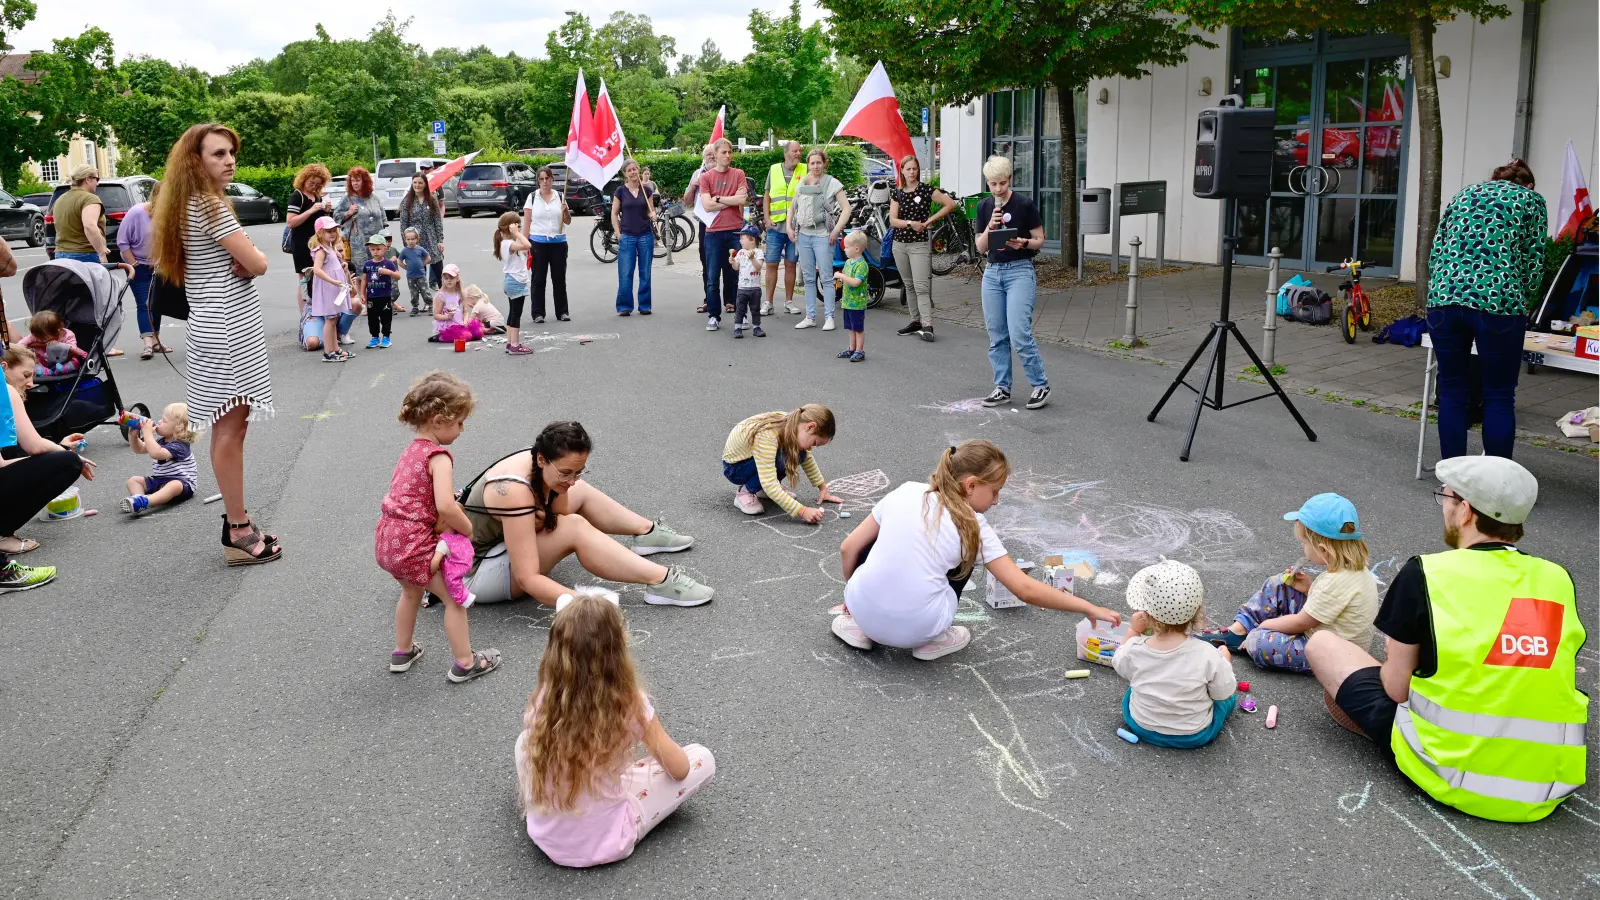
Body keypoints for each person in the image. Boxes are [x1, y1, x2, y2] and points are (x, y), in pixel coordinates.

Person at [1308, 456, 1587, 823]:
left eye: (1447, 497)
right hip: (1548, 780)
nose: (1445, 507)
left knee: (1323, 644)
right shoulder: (1557, 578)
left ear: (1466, 511)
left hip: (1452, 772)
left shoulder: (1427, 571)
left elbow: (1396, 689)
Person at [831, 440, 1121, 660]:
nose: (996, 501)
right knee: (964, 559)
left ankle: (857, 627)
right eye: (995, 491)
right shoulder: (974, 525)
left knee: (877, 539)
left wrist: (855, 601)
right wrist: (1087, 606)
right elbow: (1024, 588)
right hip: (918, 631)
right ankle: (934, 640)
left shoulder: (905, 490)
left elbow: (849, 548)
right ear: (970, 485)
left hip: (861, 610)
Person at [150, 123, 278, 566]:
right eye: (219, 154)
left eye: (231, 153)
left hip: (211, 324)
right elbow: (257, 262)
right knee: (230, 430)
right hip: (229, 329)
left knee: (230, 428)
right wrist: (249, 262)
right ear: (195, 160)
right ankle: (237, 529)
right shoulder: (209, 205)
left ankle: (238, 522)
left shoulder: (181, 204)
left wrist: (243, 262)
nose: (230, 161)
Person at [515, 593, 716, 867]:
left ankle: (544, 810)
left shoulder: (546, 696)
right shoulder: (630, 702)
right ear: (619, 647)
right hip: (608, 841)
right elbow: (679, 768)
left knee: (526, 740)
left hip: (546, 837)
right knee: (701, 758)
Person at [460, 421, 709, 607]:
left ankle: (646, 532)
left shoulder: (545, 462)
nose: (572, 479)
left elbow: (559, 513)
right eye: (567, 471)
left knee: (575, 492)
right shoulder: (513, 491)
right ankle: (661, 582)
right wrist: (585, 604)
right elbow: (527, 578)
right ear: (541, 459)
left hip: (498, 543)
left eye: (578, 471)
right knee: (575, 528)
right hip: (474, 574)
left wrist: (560, 489)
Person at [376, 371, 500, 681]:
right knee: (454, 599)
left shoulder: (411, 452)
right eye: (459, 422)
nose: (461, 429)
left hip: (388, 541)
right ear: (438, 419)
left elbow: (413, 498)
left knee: (410, 592)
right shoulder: (439, 456)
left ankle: (402, 652)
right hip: (415, 545)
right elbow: (445, 505)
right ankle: (466, 662)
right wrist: (467, 528)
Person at [1426, 159, 1549, 460]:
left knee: (1453, 392)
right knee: (1499, 396)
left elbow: (1437, 251)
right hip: (1499, 305)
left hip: (1444, 300)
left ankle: (1453, 483)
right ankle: (1494, 485)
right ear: (1529, 184)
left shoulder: (1464, 194)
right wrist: (1525, 303)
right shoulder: (1531, 200)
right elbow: (1534, 262)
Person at [1204, 493, 1378, 673]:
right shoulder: (1354, 571)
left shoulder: (1335, 582)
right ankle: (1239, 629)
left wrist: (1263, 626)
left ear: (1323, 550)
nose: (1302, 547)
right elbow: (1333, 607)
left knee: (1258, 641)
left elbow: (1301, 623)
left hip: (1334, 654)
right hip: (1329, 632)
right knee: (1279, 584)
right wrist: (1309, 589)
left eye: (1304, 543)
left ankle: (1249, 633)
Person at [1113, 560, 1239, 748]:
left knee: (1134, 688)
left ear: (1145, 615)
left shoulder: (1134, 649)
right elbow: (1221, 693)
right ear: (1196, 611)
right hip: (1194, 735)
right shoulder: (1209, 655)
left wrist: (1133, 631)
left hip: (1141, 725)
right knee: (1228, 700)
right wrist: (1225, 662)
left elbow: (1119, 661)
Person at [0, 345, 92, 588]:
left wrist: (56, 449)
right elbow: (34, 447)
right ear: (4, 368)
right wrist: (62, 456)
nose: (31, 383)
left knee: (59, 459)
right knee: (68, 463)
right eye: (26, 375)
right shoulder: (6, 390)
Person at [974, 155, 1050, 411]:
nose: (997, 189)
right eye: (993, 184)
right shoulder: (985, 207)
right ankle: (1002, 387)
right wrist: (991, 227)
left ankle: (1040, 385)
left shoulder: (1024, 205)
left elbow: (1040, 238)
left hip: (1019, 270)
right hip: (993, 272)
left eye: (1002, 183)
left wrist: (1025, 243)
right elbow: (981, 247)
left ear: (1010, 180)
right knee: (997, 335)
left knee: (1019, 333)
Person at [722, 405, 839, 521]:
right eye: (814, 443)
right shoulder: (768, 435)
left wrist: (823, 488)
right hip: (736, 469)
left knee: (799, 453)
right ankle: (744, 492)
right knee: (783, 457)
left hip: (751, 460)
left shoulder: (794, 424)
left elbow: (807, 459)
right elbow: (769, 483)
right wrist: (802, 511)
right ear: (810, 427)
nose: (811, 448)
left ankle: (761, 489)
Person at [890, 155, 958, 343]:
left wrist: (929, 221)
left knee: (921, 286)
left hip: (919, 244)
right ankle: (915, 321)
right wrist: (911, 223)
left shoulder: (926, 190)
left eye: (915, 169)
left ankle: (927, 324)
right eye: (908, 169)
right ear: (902, 171)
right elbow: (893, 220)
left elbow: (950, 204)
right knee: (909, 285)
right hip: (900, 244)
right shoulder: (898, 193)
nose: (912, 172)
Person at [788, 147, 851, 332]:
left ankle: (829, 317)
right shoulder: (802, 182)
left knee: (826, 277)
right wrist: (791, 227)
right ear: (808, 164)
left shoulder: (832, 183)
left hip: (823, 235)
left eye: (818, 162)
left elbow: (846, 209)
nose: (815, 166)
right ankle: (810, 316)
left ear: (824, 163)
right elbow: (793, 206)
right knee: (808, 278)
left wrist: (836, 231)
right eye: (812, 163)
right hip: (804, 236)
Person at [115, 182, 170, 359]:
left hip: (158, 266)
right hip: (138, 265)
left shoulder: (168, 215)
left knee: (157, 303)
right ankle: (147, 343)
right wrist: (133, 263)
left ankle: (156, 341)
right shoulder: (137, 212)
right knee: (144, 303)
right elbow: (122, 242)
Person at [698, 139, 748, 331]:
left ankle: (740, 314)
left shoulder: (739, 174)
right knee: (712, 276)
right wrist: (730, 200)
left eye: (730, 152)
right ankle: (713, 315)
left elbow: (742, 198)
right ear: (716, 154)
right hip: (713, 233)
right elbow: (707, 205)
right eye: (724, 152)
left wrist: (718, 198)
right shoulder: (706, 177)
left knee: (738, 274)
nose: (728, 155)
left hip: (735, 231)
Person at [119, 402, 198, 516]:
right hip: (160, 481)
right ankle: (138, 500)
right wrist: (133, 436)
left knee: (174, 485)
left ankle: (147, 501)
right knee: (133, 480)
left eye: (164, 421)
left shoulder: (180, 446)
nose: (159, 422)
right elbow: (139, 449)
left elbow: (156, 453)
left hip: (182, 484)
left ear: (178, 429)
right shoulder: (162, 440)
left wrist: (147, 433)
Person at [762, 141, 806, 317]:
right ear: (786, 153)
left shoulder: (805, 169)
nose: (798, 153)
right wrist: (766, 217)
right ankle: (768, 302)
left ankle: (789, 301)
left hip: (796, 227)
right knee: (771, 264)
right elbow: (767, 195)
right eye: (795, 151)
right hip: (775, 226)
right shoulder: (773, 170)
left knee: (791, 264)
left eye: (800, 150)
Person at [522, 166, 571, 323]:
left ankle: (562, 312)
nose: (544, 182)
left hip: (558, 242)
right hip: (538, 243)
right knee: (538, 279)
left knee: (559, 278)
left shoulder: (560, 196)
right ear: (538, 181)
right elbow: (527, 222)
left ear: (552, 180)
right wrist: (525, 244)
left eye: (547, 178)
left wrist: (565, 212)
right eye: (541, 179)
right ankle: (538, 313)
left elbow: (568, 221)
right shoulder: (532, 197)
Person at [612, 160, 657, 317]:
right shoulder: (620, 191)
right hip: (628, 235)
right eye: (629, 170)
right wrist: (618, 234)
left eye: (634, 169)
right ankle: (624, 305)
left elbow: (651, 212)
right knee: (625, 272)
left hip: (645, 235)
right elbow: (614, 213)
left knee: (645, 272)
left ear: (638, 170)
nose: (632, 172)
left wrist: (653, 215)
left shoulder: (646, 191)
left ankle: (644, 305)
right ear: (625, 173)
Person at [307, 216, 354, 362]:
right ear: (320, 233)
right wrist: (333, 281)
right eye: (329, 231)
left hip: (335, 288)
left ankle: (335, 349)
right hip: (328, 288)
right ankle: (328, 352)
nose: (333, 233)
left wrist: (343, 266)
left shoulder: (331, 247)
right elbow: (317, 270)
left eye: (334, 230)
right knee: (330, 319)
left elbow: (333, 266)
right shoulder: (321, 250)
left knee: (334, 318)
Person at [287, 164, 333, 311]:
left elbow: (320, 223)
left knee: (318, 277)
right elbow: (291, 222)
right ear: (304, 179)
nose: (314, 186)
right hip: (301, 244)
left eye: (318, 184)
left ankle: (318, 309)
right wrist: (311, 210)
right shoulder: (297, 196)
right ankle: (305, 315)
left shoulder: (318, 197)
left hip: (317, 244)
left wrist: (326, 212)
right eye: (311, 182)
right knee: (305, 279)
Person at [397, 172, 446, 296]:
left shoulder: (432, 199)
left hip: (431, 238)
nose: (417, 185)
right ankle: (425, 300)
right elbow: (403, 224)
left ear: (425, 185)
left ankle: (445, 297)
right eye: (415, 183)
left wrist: (440, 240)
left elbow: (437, 221)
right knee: (420, 273)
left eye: (420, 183)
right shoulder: (406, 201)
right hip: (415, 241)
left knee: (438, 269)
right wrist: (407, 244)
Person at [492, 213, 535, 355]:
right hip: (516, 282)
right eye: (517, 225)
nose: (519, 228)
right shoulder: (508, 244)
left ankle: (510, 342)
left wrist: (515, 234)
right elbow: (528, 244)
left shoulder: (506, 243)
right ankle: (515, 345)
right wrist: (517, 233)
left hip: (512, 281)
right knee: (516, 314)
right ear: (510, 227)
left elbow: (524, 250)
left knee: (512, 313)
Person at [51, 165, 108, 264]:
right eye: (96, 179)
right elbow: (90, 226)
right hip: (85, 255)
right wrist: (101, 252)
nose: (97, 184)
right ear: (88, 179)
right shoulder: (89, 199)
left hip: (61, 254)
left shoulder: (60, 199)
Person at [358, 234, 402, 349]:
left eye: (378, 249)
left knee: (386, 317)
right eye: (373, 249)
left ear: (385, 249)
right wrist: (362, 294)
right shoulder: (367, 264)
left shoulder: (388, 263)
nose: (375, 252)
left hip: (385, 296)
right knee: (372, 318)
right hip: (372, 296)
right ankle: (374, 337)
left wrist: (389, 272)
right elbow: (364, 279)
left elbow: (398, 276)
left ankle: (386, 337)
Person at [834, 231, 870, 362]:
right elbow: (845, 277)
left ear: (856, 249)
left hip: (857, 303)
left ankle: (860, 350)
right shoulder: (848, 262)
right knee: (850, 327)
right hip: (848, 301)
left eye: (847, 247)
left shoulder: (862, 265)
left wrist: (842, 276)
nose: (844, 249)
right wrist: (839, 281)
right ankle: (852, 348)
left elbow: (856, 282)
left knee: (858, 328)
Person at [683, 144, 716, 284]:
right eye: (709, 154)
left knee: (726, 264)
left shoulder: (726, 173)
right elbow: (687, 202)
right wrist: (693, 187)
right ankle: (708, 299)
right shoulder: (697, 174)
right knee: (706, 262)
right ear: (704, 157)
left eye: (714, 153)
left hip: (723, 223)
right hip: (704, 225)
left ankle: (729, 301)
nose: (712, 157)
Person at [19, 311, 87, 372]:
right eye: (39, 336)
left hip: (65, 360)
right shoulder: (37, 335)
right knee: (31, 364)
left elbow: (72, 349)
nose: (41, 339)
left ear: (59, 330)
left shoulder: (68, 334)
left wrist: (57, 344)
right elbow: (21, 344)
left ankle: (64, 368)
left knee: (78, 359)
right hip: (46, 361)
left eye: (44, 337)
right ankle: (46, 372)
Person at [430, 265, 482, 344]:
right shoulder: (441, 296)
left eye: (451, 278)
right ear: (443, 279)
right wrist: (448, 317)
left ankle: (481, 330)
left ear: (457, 279)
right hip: (449, 326)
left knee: (479, 332)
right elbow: (436, 315)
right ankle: (440, 336)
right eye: (446, 278)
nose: (449, 281)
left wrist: (465, 321)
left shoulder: (461, 293)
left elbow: (465, 311)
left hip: (460, 322)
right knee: (467, 336)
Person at [731, 226, 764, 338]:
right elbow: (736, 268)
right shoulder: (740, 252)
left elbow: (758, 267)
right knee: (740, 309)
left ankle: (756, 327)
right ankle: (737, 328)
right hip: (742, 288)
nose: (740, 241)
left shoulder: (758, 252)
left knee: (755, 309)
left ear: (752, 240)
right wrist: (732, 262)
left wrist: (752, 258)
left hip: (755, 287)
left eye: (742, 238)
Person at [398, 228, 432, 316]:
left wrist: (422, 264)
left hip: (421, 275)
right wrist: (406, 268)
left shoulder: (420, 249)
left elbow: (428, 258)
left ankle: (430, 305)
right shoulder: (405, 251)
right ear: (405, 240)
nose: (410, 241)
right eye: (408, 239)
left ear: (417, 239)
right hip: (410, 276)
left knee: (425, 291)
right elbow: (399, 261)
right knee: (414, 292)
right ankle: (415, 307)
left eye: (413, 239)